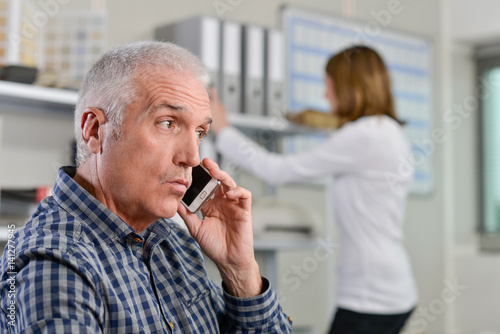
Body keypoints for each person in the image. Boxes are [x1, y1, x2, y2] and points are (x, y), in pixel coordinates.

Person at [0, 41, 292, 333]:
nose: (191, 157)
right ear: (94, 131)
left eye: (200, 132)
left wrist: (240, 272)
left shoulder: (175, 245)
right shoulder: (55, 262)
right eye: (167, 123)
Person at [210, 45, 418, 334]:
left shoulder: (362, 136)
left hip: (370, 296)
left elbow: (278, 171)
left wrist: (224, 130)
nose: (325, 95)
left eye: (328, 86)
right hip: (395, 288)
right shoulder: (388, 131)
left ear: (348, 88)